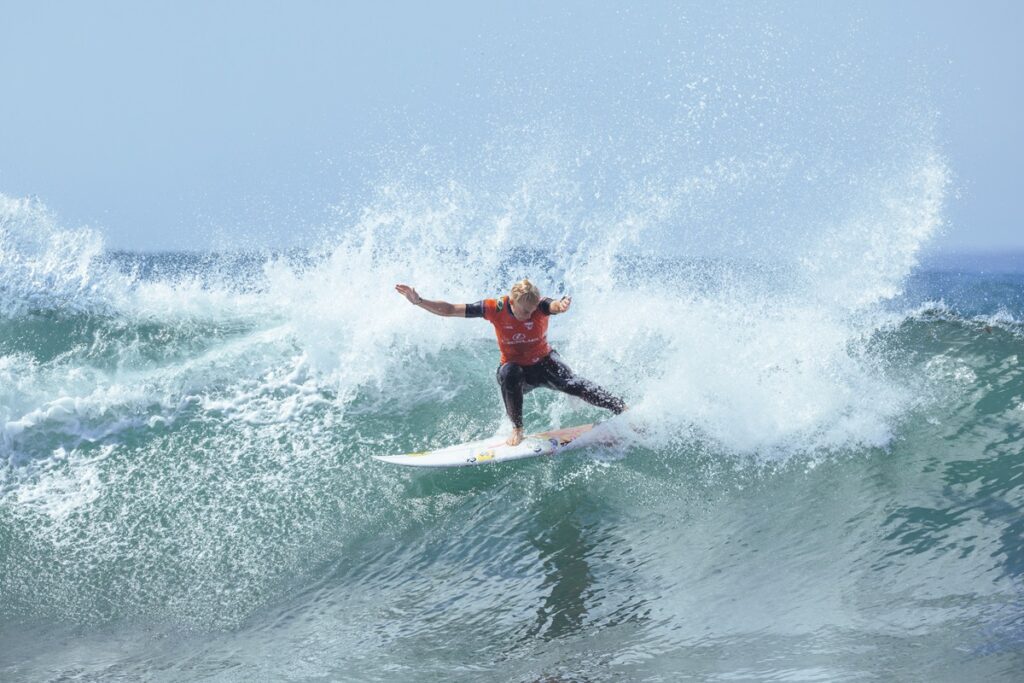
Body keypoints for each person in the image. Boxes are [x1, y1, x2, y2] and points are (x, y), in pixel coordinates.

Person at [395, 279, 626, 445]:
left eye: (533, 310)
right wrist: (419, 301)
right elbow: (449, 309)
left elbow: (552, 305)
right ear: (512, 303)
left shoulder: (539, 305)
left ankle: (621, 408)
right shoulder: (494, 308)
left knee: (573, 384)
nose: (530, 315)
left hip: (544, 363)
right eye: (525, 311)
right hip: (519, 372)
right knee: (509, 373)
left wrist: (561, 305)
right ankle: (517, 429)